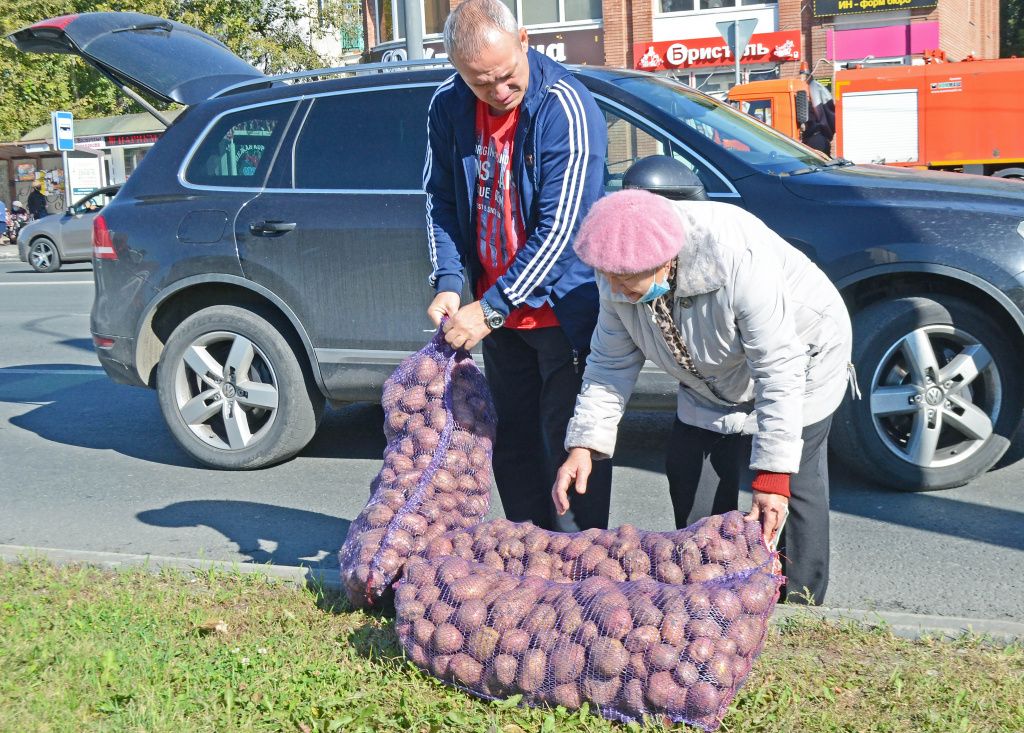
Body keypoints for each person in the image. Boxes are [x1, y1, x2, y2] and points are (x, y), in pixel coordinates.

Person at [551, 182, 854, 604]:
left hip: (802, 359)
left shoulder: (735, 257)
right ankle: (711, 596)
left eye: (625, 280)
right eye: (608, 278)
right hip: (707, 372)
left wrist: (771, 475)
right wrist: (584, 445)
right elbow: (608, 365)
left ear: (664, 261)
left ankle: (799, 601)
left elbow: (777, 368)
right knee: (691, 468)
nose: (616, 290)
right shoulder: (616, 275)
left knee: (790, 482)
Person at [424, 0, 612, 532]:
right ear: (456, 67)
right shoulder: (448, 105)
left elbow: (562, 233)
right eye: (482, 84)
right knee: (513, 449)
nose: (500, 93)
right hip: (497, 315)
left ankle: (582, 567)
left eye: (507, 77)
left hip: (563, 315)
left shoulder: (565, 108)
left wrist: (493, 307)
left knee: (569, 452)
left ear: (525, 41)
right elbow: (440, 199)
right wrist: (451, 282)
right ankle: (528, 558)